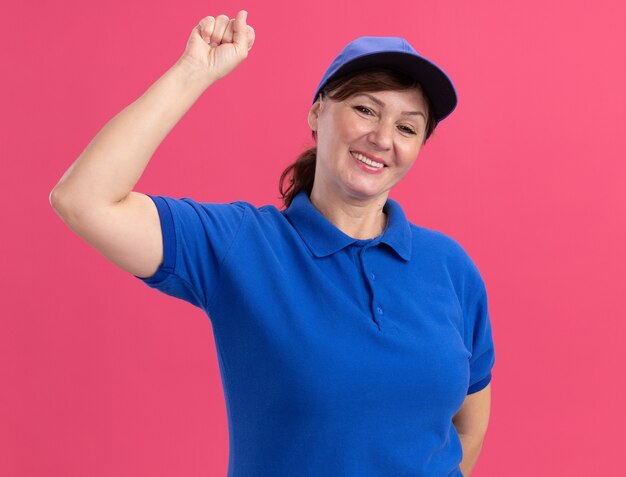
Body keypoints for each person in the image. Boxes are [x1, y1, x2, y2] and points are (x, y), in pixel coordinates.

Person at [50, 10, 495, 477]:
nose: (383, 138)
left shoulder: (451, 267)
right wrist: (192, 74)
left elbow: (468, 431)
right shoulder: (242, 245)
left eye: (407, 127)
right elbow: (84, 200)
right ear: (317, 111)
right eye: (365, 109)